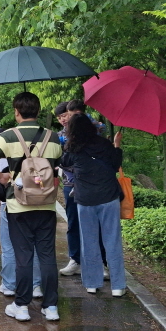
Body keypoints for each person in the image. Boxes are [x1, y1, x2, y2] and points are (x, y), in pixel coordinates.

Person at [0, 92, 62, 322]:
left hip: (19, 206)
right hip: (46, 205)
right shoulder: (54, 137)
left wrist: (2, 177)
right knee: (47, 256)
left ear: (16, 111)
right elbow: (56, 167)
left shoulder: (8, 136)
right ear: (38, 111)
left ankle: (22, 306)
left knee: (23, 256)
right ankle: (51, 307)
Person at [61, 113, 126, 296]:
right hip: (109, 198)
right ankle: (118, 286)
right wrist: (116, 145)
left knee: (89, 241)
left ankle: (92, 283)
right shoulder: (104, 145)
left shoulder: (72, 148)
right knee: (112, 241)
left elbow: (63, 162)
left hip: (85, 200)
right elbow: (115, 165)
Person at [0, 128, 43, 298]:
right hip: (31, 203)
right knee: (33, 245)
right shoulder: (20, 156)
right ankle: (36, 285)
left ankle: (10, 284)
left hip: (8, 206)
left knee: (9, 246)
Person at [56, 102, 109, 279]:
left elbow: (102, 133)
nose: (64, 119)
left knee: (97, 225)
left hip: (94, 185)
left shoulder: (94, 128)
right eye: (61, 117)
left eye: (66, 115)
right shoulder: (60, 135)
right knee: (73, 223)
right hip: (71, 185)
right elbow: (61, 159)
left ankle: (101, 262)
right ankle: (75, 260)